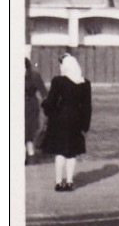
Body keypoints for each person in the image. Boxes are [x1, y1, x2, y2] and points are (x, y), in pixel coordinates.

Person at [41, 53, 92, 192]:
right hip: (76, 120)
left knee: (60, 152)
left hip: (59, 120)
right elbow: (87, 107)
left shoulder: (58, 81)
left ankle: (59, 182)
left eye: (61, 64)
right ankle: (69, 182)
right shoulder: (85, 83)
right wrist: (85, 125)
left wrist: (45, 106)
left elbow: (50, 101)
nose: (60, 66)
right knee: (72, 152)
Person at [25, 58, 48, 164]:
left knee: (29, 133)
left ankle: (31, 156)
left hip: (30, 107)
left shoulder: (34, 76)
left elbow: (44, 93)